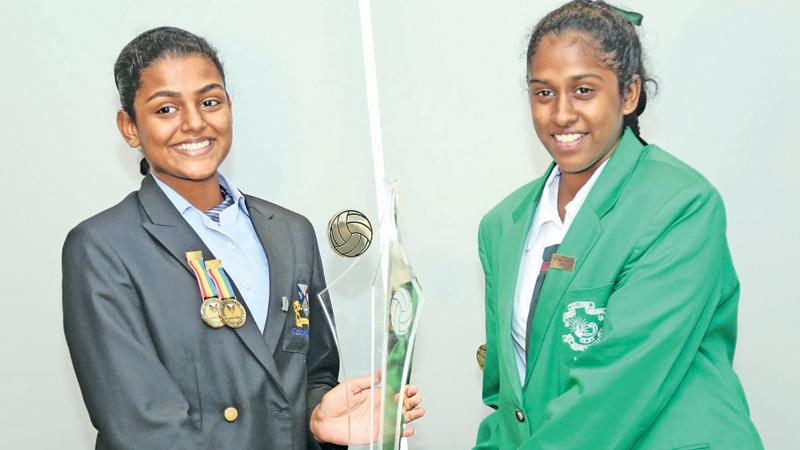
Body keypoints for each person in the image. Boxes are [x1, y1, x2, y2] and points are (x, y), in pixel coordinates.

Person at [63, 26, 423, 450]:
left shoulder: (291, 233)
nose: (194, 122)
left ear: (229, 107)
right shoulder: (103, 247)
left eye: (209, 101)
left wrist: (317, 416)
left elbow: (312, 373)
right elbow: (143, 427)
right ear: (129, 127)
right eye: (165, 110)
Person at [474, 1, 762, 448]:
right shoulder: (501, 227)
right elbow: (507, 399)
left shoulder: (679, 205)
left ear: (628, 94)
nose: (562, 114)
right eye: (543, 92)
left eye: (584, 90)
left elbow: (616, 391)